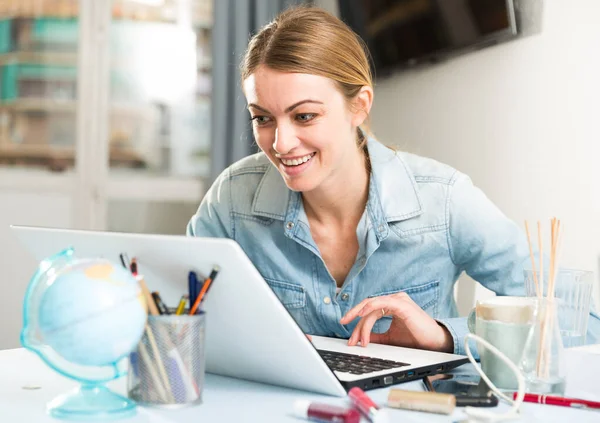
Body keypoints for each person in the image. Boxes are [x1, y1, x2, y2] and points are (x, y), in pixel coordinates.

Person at [187, 5, 599, 355]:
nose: (280, 142)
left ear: (359, 105)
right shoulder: (233, 198)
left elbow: (585, 321)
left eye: (304, 116)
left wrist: (444, 336)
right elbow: (181, 312)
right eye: (263, 118)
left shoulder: (443, 201)